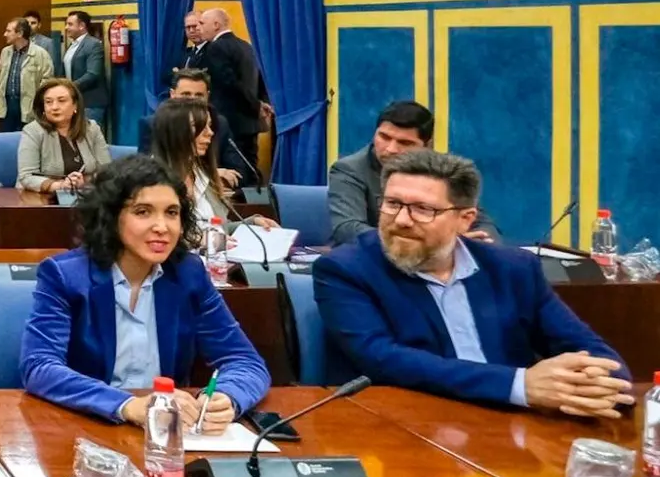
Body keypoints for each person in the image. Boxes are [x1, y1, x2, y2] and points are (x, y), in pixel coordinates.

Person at [314, 150, 629, 413]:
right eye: (393, 204)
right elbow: (382, 359)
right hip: (409, 422)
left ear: (465, 219)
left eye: (423, 209)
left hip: (515, 427)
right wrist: (518, 385)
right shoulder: (346, 269)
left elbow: (589, 348)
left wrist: (603, 385)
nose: (402, 220)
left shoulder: (514, 269)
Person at [19, 155, 269, 425]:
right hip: (88, 425)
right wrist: (127, 405)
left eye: (172, 213)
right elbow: (39, 367)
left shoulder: (189, 273)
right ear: (111, 217)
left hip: (167, 432)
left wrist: (227, 397)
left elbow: (245, 361)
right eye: (143, 212)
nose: (162, 227)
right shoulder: (65, 276)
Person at [328, 100, 499, 245]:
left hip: (437, 260)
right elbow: (347, 229)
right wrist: (428, 242)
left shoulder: (442, 170)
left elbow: (480, 221)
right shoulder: (349, 170)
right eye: (384, 137)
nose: (391, 149)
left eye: (405, 143)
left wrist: (481, 241)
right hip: (373, 260)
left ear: (426, 145)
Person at [146, 98, 278, 232]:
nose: (210, 132)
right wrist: (201, 242)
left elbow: (219, 228)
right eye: (197, 126)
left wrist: (253, 223)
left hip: (217, 252)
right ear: (173, 131)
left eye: (209, 125)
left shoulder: (202, 175)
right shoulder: (151, 181)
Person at [136, 68, 258, 189]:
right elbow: (147, 173)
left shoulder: (219, 123)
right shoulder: (156, 123)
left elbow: (241, 173)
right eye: (186, 94)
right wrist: (210, 175)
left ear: (207, 97)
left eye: (199, 95)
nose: (192, 100)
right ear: (172, 95)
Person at [193, 8, 272, 168]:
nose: (199, 28)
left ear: (216, 25)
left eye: (202, 23)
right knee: (251, 169)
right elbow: (260, 80)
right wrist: (261, 103)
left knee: (233, 172)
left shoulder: (216, 48)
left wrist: (257, 106)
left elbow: (230, 84)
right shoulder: (247, 46)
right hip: (251, 123)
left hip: (230, 123)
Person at [15, 78, 111, 194]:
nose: (54, 107)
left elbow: (107, 172)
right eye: (48, 102)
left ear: (75, 105)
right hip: (41, 198)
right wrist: (59, 186)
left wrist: (84, 182)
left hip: (85, 196)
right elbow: (26, 176)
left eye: (61, 101)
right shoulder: (33, 131)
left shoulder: (91, 129)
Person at [0, 17, 53, 132]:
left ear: (20, 33)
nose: (5, 34)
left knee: (26, 140)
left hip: (29, 105)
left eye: (9, 31)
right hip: (6, 104)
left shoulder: (40, 54)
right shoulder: (5, 52)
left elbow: (47, 81)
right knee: (6, 139)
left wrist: (39, 103)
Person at [60, 11, 109, 125]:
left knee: (89, 139)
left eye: (70, 24)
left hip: (91, 103)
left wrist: (70, 87)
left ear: (82, 26)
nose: (66, 28)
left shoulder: (93, 44)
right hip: (74, 101)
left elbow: (93, 74)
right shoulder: (72, 45)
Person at [24, 10, 62, 75]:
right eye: (27, 23)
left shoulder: (48, 43)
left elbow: (52, 66)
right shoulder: (18, 41)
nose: (29, 26)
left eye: (33, 23)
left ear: (39, 25)